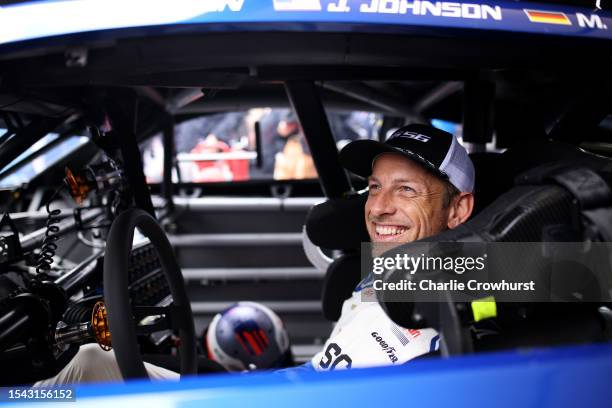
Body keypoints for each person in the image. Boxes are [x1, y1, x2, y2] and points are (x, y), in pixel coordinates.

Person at [35, 123, 474, 383]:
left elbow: (538, 275)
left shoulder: (463, 278)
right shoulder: (385, 266)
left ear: (459, 209)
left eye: (407, 190)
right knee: (93, 361)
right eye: (374, 188)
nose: (378, 207)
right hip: (280, 389)